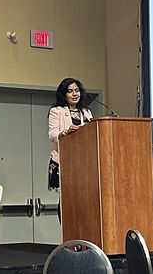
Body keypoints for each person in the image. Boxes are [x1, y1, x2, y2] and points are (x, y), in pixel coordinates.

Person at [48, 78, 93, 221]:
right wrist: (66, 132)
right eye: (70, 91)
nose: (74, 94)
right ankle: (67, 234)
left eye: (77, 90)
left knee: (82, 198)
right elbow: (52, 134)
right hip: (64, 161)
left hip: (83, 162)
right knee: (67, 199)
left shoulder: (86, 112)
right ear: (64, 94)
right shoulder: (57, 111)